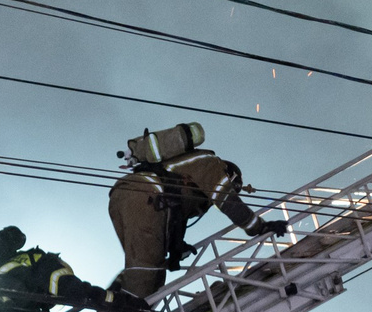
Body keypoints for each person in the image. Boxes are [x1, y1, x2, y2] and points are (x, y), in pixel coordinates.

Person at [107, 122, 287, 302]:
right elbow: (228, 202)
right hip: (147, 198)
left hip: (123, 196)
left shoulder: (183, 170)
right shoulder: (211, 165)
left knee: (142, 265)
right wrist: (260, 227)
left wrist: (176, 247)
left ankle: (110, 302)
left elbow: (176, 215)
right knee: (149, 273)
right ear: (230, 175)